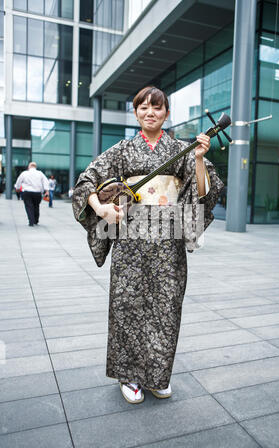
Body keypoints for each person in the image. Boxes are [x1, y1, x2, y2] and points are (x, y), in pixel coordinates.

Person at [72, 86, 224, 404]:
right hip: (129, 241)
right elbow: (87, 180)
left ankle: (157, 375)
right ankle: (129, 377)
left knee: (166, 309)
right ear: (136, 113)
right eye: (143, 107)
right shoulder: (122, 150)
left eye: (157, 107)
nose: (150, 112)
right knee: (127, 308)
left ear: (167, 113)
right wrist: (101, 209)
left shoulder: (181, 149)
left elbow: (204, 192)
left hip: (168, 245)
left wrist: (197, 160)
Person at [15, 162, 49, 226]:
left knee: (28, 206)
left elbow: (19, 181)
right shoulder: (40, 173)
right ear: (35, 167)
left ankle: (31, 220)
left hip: (27, 192)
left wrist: (17, 188)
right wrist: (47, 191)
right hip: (37, 193)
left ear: (29, 167)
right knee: (36, 206)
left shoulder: (24, 173)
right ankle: (36, 220)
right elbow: (45, 181)